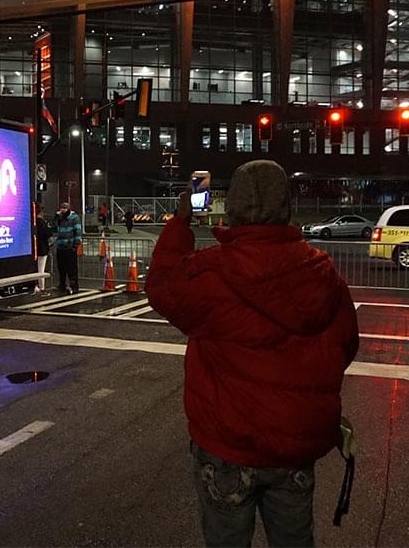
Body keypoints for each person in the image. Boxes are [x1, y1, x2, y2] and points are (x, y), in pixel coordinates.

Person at [145, 160, 359, 548]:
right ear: (288, 207)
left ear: (233, 209)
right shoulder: (323, 275)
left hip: (228, 444)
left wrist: (180, 224)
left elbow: (161, 287)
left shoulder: (211, 274)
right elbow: (345, 347)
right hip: (294, 448)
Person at [52, 202, 82, 294]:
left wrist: (75, 245)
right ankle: (62, 285)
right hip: (60, 247)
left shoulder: (74, 218)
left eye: (64, 208)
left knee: (71, 269)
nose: (62, 210)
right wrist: (56, 217)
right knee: (61, 269)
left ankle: (74, 286)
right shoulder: (60, 218)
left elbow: (78, 231)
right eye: (61, 208)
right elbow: (54, 228)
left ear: (68, 209)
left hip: (69, 247)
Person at [34, 206, 53, 293]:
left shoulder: (32, 222)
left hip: (33, 248)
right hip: (42, 248)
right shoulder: (43, 223)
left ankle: (34, 285)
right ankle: (42, 287)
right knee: (41, 269)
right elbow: (48, 234)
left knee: (34, 268)